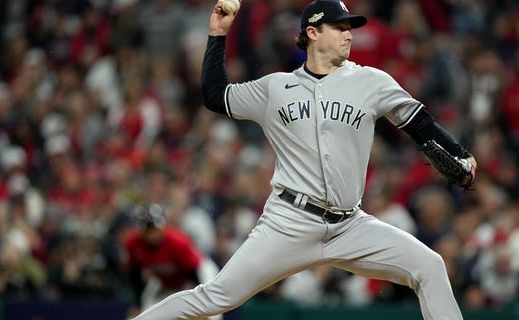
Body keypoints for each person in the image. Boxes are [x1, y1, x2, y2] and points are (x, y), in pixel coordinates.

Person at [131, 0, 476, 319]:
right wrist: (218, 35)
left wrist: (461, 155)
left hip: (350, 225)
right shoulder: (274, 88)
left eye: (349, 28)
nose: (348, 34)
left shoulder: (371, 81)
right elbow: (214, 95)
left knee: (429, 266)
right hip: (290, 223)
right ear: (312, 32)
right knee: (215, 297)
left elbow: (420, 124)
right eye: (338, 27)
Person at [124, 203, 220, 319]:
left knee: (211, 311)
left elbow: (192, 272)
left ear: (162, 226)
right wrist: (138, 304)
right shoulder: (133, 244)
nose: (151, 233)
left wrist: (201, 304)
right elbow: (135, 276)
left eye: (154, 228)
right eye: (147, 229)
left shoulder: (177, 242)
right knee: (145, 313)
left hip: (199, 271)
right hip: (166, 280)